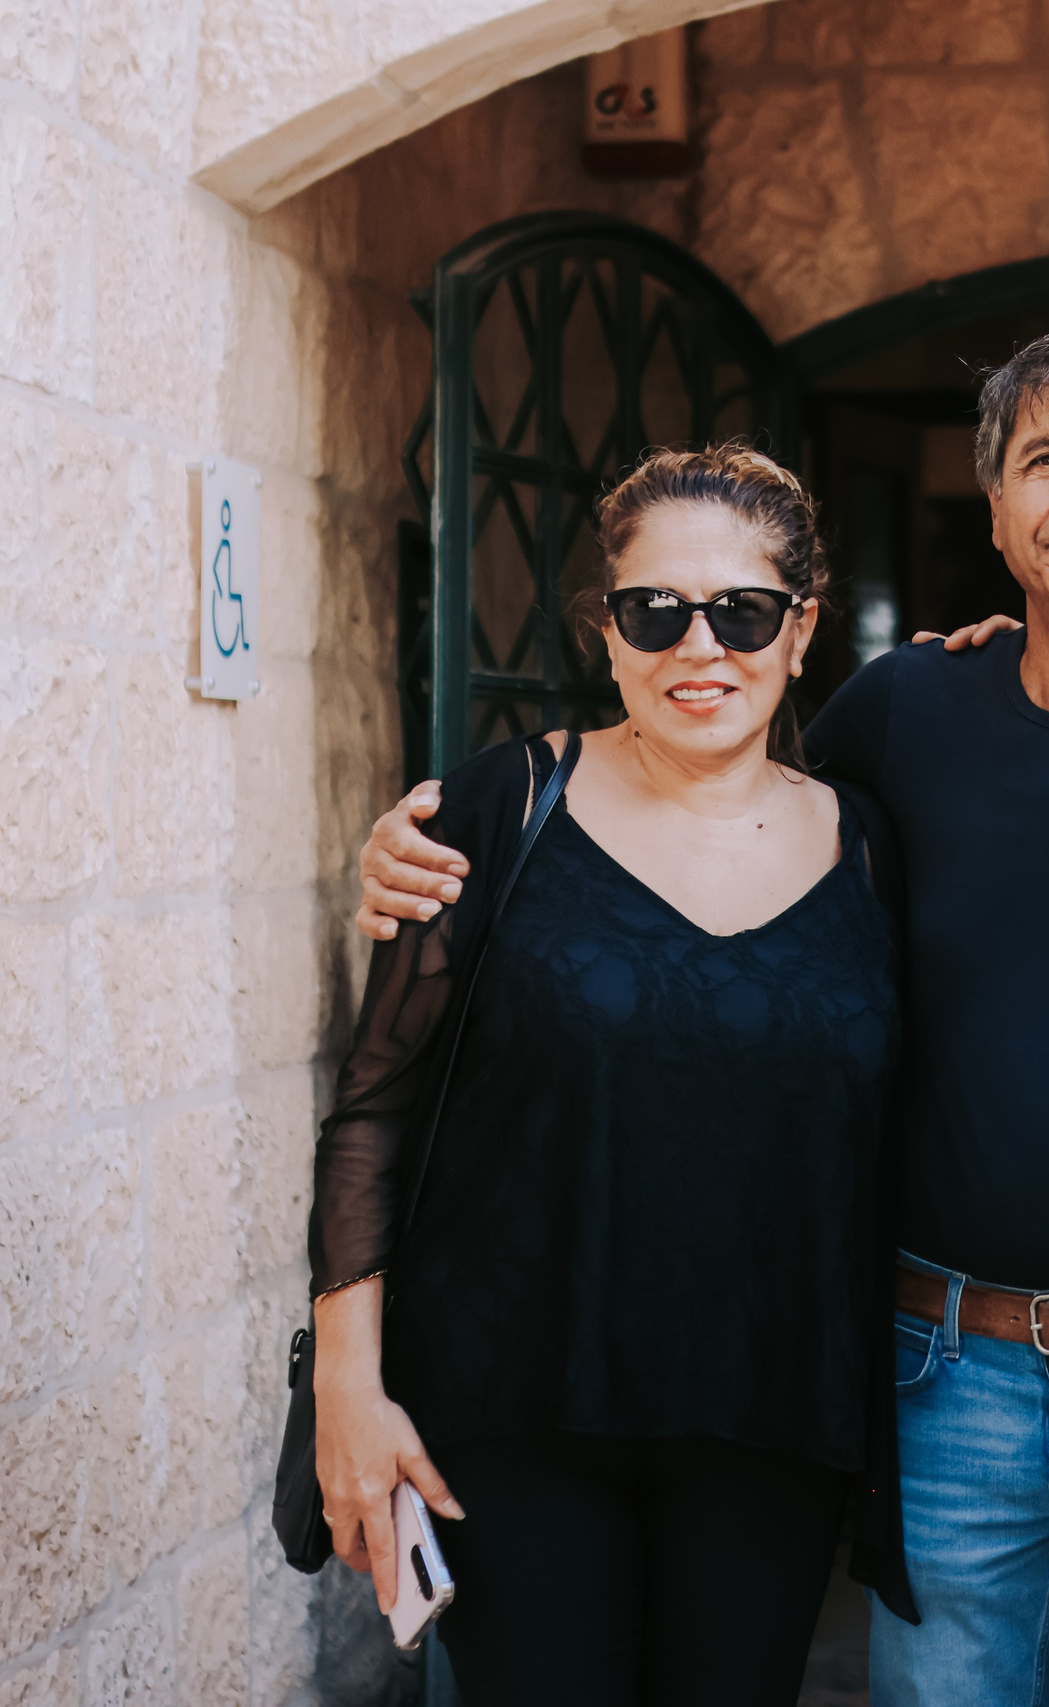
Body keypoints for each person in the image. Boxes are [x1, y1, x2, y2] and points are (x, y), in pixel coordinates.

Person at [353, 322, 1049, 1707]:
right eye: (1047, 460)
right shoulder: (900, 712)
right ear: (1000, 513)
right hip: (939, 1364)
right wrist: (435, 848)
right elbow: (708, 794)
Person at [309, 446, 903, 1705]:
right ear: (608, 631)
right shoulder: (495, 811)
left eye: (741, 611)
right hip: (512, 1414)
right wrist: (347, 1390)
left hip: (772, 1421)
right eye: (656, 612)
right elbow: (373, 1112)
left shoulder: (870, 848)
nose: (701, 648)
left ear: (800, 628)